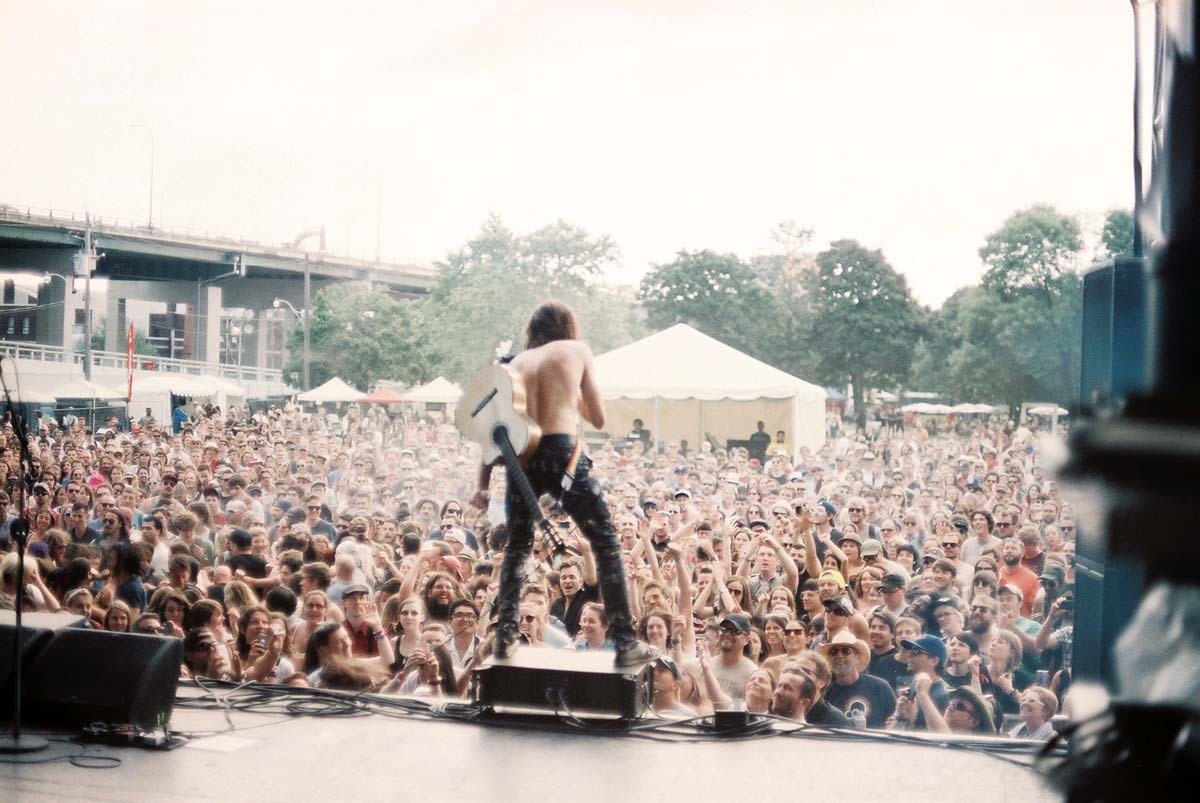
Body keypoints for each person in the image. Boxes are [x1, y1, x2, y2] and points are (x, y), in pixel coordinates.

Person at [471, 301, 653, 666]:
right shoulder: (576, 350)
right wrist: (572, 395)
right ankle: (624, 640)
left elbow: (493, 429)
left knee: (518, 550)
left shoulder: (515, 364)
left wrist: (483, 484)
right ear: (568, 325)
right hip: (561, 449)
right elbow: (598, 417)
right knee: (605, 542)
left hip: (523, 458)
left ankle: (504, 635)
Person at [821, 630, 897, 728]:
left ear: (857, 658)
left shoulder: (880, 686)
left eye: (846, 651)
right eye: (834, 652)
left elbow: (894, 721)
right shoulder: (825, 692)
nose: (839, 655)